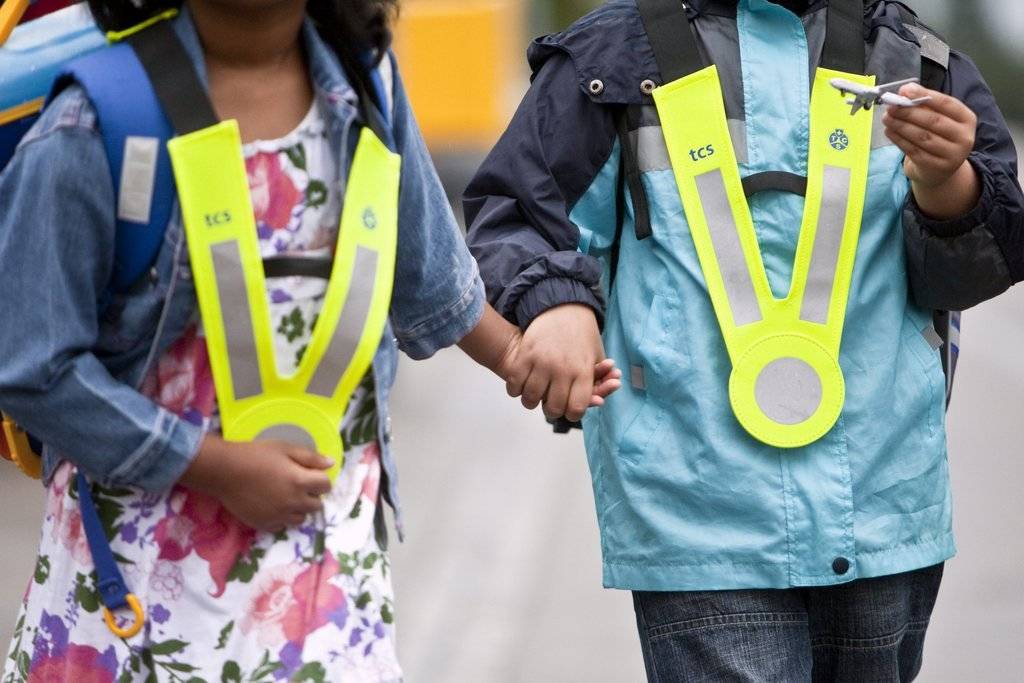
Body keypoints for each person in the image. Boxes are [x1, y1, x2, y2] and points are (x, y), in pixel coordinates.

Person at [0, 0, 620, 680]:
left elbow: (430, 277)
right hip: (134, 611)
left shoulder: (367, 87)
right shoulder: (93, 125)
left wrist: (517, 354)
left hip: (326, 605)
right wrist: (207, 464)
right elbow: (32, 368)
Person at [465, 0, 1023, 680]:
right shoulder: (605, 63)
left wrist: (949, 183)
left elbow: (975, 268)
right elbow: (519, 214)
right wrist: (557, 306)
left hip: (885, 506)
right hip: (700, 514)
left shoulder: (918, 59)